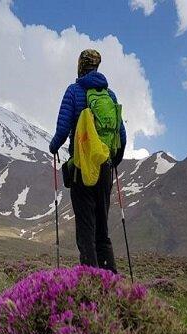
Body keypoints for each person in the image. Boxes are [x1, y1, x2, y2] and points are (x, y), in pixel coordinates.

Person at [49, 49, 127, 272]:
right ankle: (112, 286)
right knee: (102, 232)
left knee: (86, 231)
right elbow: (121, 135)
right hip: (105, 170)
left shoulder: (74, 92)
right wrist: (112, 162)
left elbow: (63, 130)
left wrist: (53, 146)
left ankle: (92, 288)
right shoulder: (110, 96)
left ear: (80, 66)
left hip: (83, 171)